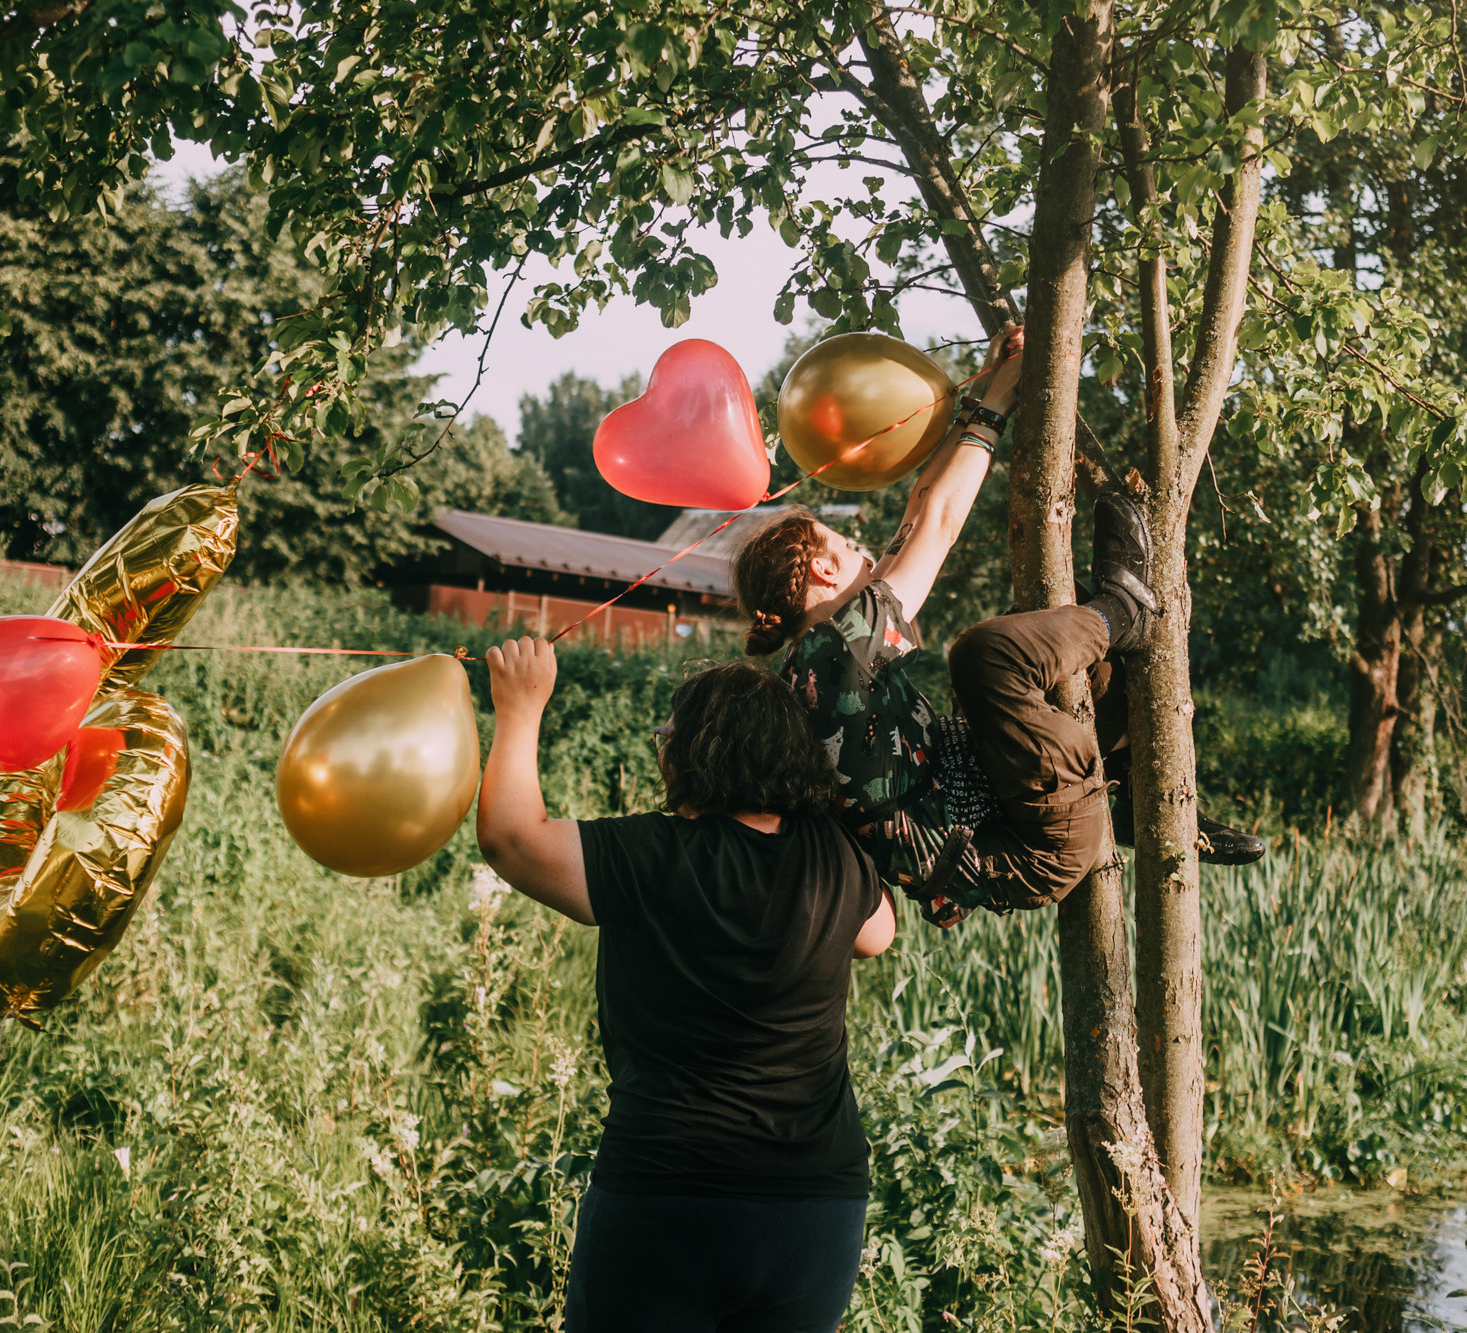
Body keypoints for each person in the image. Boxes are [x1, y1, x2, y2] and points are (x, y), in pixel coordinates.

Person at [734, 325, 1264, 926]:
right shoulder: (835, 661)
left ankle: (1141, 799)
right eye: (850, 544)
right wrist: (996, 405)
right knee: (986, 654)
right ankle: (1126, 609)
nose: (870, 553)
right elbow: (936, 522)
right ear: (825, 572)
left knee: (1031, 630)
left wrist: (978, 395)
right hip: (1024, 848)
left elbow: (918, 510)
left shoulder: (827, 659)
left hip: (1011, 807)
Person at [476, 638, 894, 1333]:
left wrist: (520, 708)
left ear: (698, 754)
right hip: (814, 1209)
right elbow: (877, 934)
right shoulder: (833, 855)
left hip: (669, 1197)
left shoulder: (654, 855)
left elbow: (512, 840)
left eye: (669, 734)